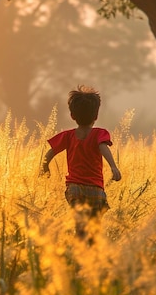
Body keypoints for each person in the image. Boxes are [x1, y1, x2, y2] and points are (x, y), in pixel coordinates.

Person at [41, 85, 121, 241]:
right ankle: (91, 255)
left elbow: (50, 153)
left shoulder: (67, 136)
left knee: (80, 227)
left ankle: (80, 250)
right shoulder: (100, 134)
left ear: (72, 115)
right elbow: (103, 147)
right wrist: (113, 166)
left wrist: (45, 167)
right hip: (95, 189)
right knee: (94, 228)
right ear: (96, 115)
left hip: (75, 188)